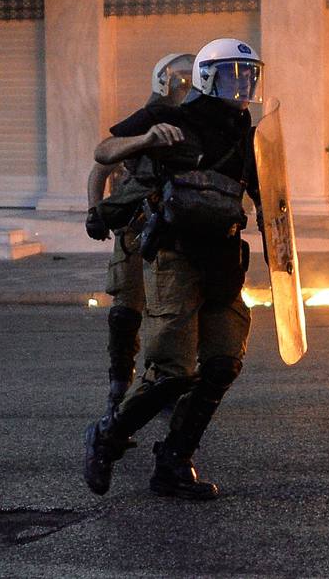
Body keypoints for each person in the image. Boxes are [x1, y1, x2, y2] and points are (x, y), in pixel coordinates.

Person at [83, 38, 264, 500]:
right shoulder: (175, 116)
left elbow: (265, 191)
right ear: (206, 77)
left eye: (248, 75)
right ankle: (106, 437)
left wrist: (278, 230)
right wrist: (147, 138)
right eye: (231, 75)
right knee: (173, 373)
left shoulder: (245, 130)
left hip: (223, 259)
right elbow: (105, 153)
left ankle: (174, 463)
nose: (242, 85)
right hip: (176, 257)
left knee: (223, 363)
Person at [84, 53, 194, 423]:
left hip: (178, 232)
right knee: (125, 312)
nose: (185, 88)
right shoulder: (147, 120)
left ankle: (162, 385)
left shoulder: (197, 123)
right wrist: (94, 211)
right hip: (136, 229)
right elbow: (103, 161)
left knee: (168, 316)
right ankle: (118, 387)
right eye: (180, 82)